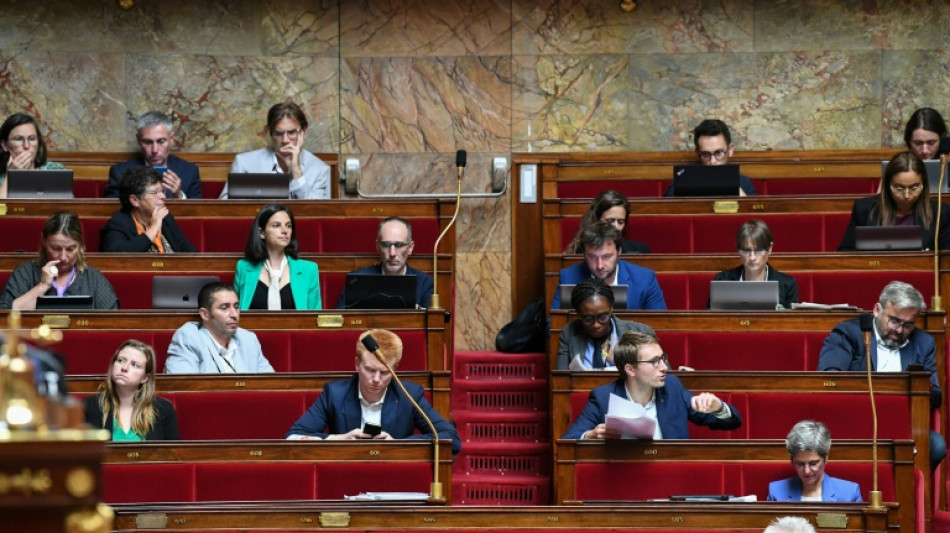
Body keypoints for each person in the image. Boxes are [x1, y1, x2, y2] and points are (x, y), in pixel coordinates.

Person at [817, 281, 945, 470]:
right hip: (854, 419)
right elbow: (828, 378)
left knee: (936, 446)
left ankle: (909, 495)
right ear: (877, 310)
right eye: (894, 321)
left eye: (908, 325)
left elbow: (936, 395)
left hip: (903, 423)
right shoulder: (849, 333)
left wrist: (916, 389)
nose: (900, 330)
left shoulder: (923, 342)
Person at [285, 328, 461, 454]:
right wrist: (340, 439)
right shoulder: (335, 393)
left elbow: (451, 438)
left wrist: (396, 444)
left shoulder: (409, 395)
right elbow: (293, 437)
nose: (376, 379)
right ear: (356, 364)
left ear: (395, 369)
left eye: (385, 372)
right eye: (370, 370)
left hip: (393, 479)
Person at [562, 331, 742, 439]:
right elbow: (569, 440)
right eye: (655, 361)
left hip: (673, 477)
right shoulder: (603, 397)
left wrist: (718, 406)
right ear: (631, 369)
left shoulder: (672, 388)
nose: (664, 367)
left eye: (663, 358)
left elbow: (733, 422)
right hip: (626, 481)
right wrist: (591, 436)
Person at [0, 211, 118, 310]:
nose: (63, 257)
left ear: (80, 245)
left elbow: (112, 321)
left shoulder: (93, 279)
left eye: (70, 249)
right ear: (44, 242)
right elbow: (6, 315)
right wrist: (43, 286)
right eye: (56, 248)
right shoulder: (25, 273)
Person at [837, 151, 950, 251]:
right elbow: (846, 253)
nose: (906, 195)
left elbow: (946, 260)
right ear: (887, 185)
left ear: (923, 185)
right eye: (899, 188)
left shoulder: (941, 213)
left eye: (914, 188)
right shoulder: (863, 209)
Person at [220, 102, 331, 199]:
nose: (285, 140)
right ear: (269, 132)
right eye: (279, 133)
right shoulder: (244, 163)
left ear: (304, 131)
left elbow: (315, 214)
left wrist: (296, 171)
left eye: (291, 132)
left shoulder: (320, 170)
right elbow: (225, 209)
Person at [550, 222, 666, 311]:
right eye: (592, 257)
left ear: (619, 251)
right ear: (584, 254)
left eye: (606, 256)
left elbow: (659, 324)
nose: (599, 265)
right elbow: (553, 325)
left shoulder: (644, 279)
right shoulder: (569, 277)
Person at [164, 282, 274, 373]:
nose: (234, 314)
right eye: (224, 308)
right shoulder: (188, 337)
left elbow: (270, 384)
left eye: (236, 307)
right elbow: (184, 388)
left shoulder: (249, 339)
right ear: (205, 314)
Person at [83, 339, 180, 440]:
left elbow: (172, 453)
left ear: (145, 377)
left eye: (135, 365)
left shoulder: (163, 410)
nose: (124, 368)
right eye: (120, 360)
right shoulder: (88, 407)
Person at [235, 203, 321, 310]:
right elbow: (235, 314)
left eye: (288, 225)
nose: (285, 231)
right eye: (276, 225)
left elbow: (314, 318)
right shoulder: (243, 268)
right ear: (261, 232)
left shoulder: (309, 269)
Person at [335, 216, 434, 309]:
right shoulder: (356, 281)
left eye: (399, 245)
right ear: (378, 247)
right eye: (386, 245)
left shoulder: (425, 284)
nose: (392, 253)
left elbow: (432, 323)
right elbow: (340, 321)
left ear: (410, 248)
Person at [557, 279, 655, 370]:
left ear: (611, 309)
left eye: (603, 317)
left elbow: (661, 373)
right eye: (588, 319)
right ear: (578, 314)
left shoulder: (641, 332)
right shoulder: (569, 332)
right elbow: (561, 380)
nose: (596, 325)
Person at [104, 111, 202, 199]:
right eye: (148, 142)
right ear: (138, 140)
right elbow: (113, 213)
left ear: (171, 139)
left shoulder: (190, 171)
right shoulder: (120, 173)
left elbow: (198, 215)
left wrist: (179, 196)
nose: (154, 150)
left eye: (161, 141)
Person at [99, 166, 197, 253]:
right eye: (155, 192)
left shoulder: (165, 217)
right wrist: (153, 229)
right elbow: (117, 255)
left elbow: (190, 253)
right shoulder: (118, 223)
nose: (163, 196)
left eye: (162, 191)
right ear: (135, 200)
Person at [708, 219, 798, 309]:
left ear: (770, 248)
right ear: (738, 249)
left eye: (759, 250)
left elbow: (791, 321)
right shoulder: (722, 280)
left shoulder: (787, 284)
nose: (752, 258)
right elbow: (710, 319)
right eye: (746, 250)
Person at [767, 420, 862, 502]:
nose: (807, 471)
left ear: (826, 458)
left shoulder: (849, 493)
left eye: (813, 463)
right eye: (800, 464)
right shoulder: (776, 492)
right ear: (792, 461)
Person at [663, 119, 756, 197]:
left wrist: (743, 200)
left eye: (718, 153)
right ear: (698, 153)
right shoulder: (683, 183)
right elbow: (666, 211)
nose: (712, 161)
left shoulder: (744, 183)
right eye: (706, 154)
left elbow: (754, 215)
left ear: (730, 150)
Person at [0, 113, 66, 198]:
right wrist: (10, 176)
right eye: (19, 139)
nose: (26, 146)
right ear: (5, 145)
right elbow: (1, 209)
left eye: (32, 139)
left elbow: (67, 208)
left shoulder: (56, 171)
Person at [566, 190, 650, 254]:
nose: (616, 227)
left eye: (620, 222)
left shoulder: (640, 251)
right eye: (610, 221)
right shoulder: (584, 250)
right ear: (597, 220)